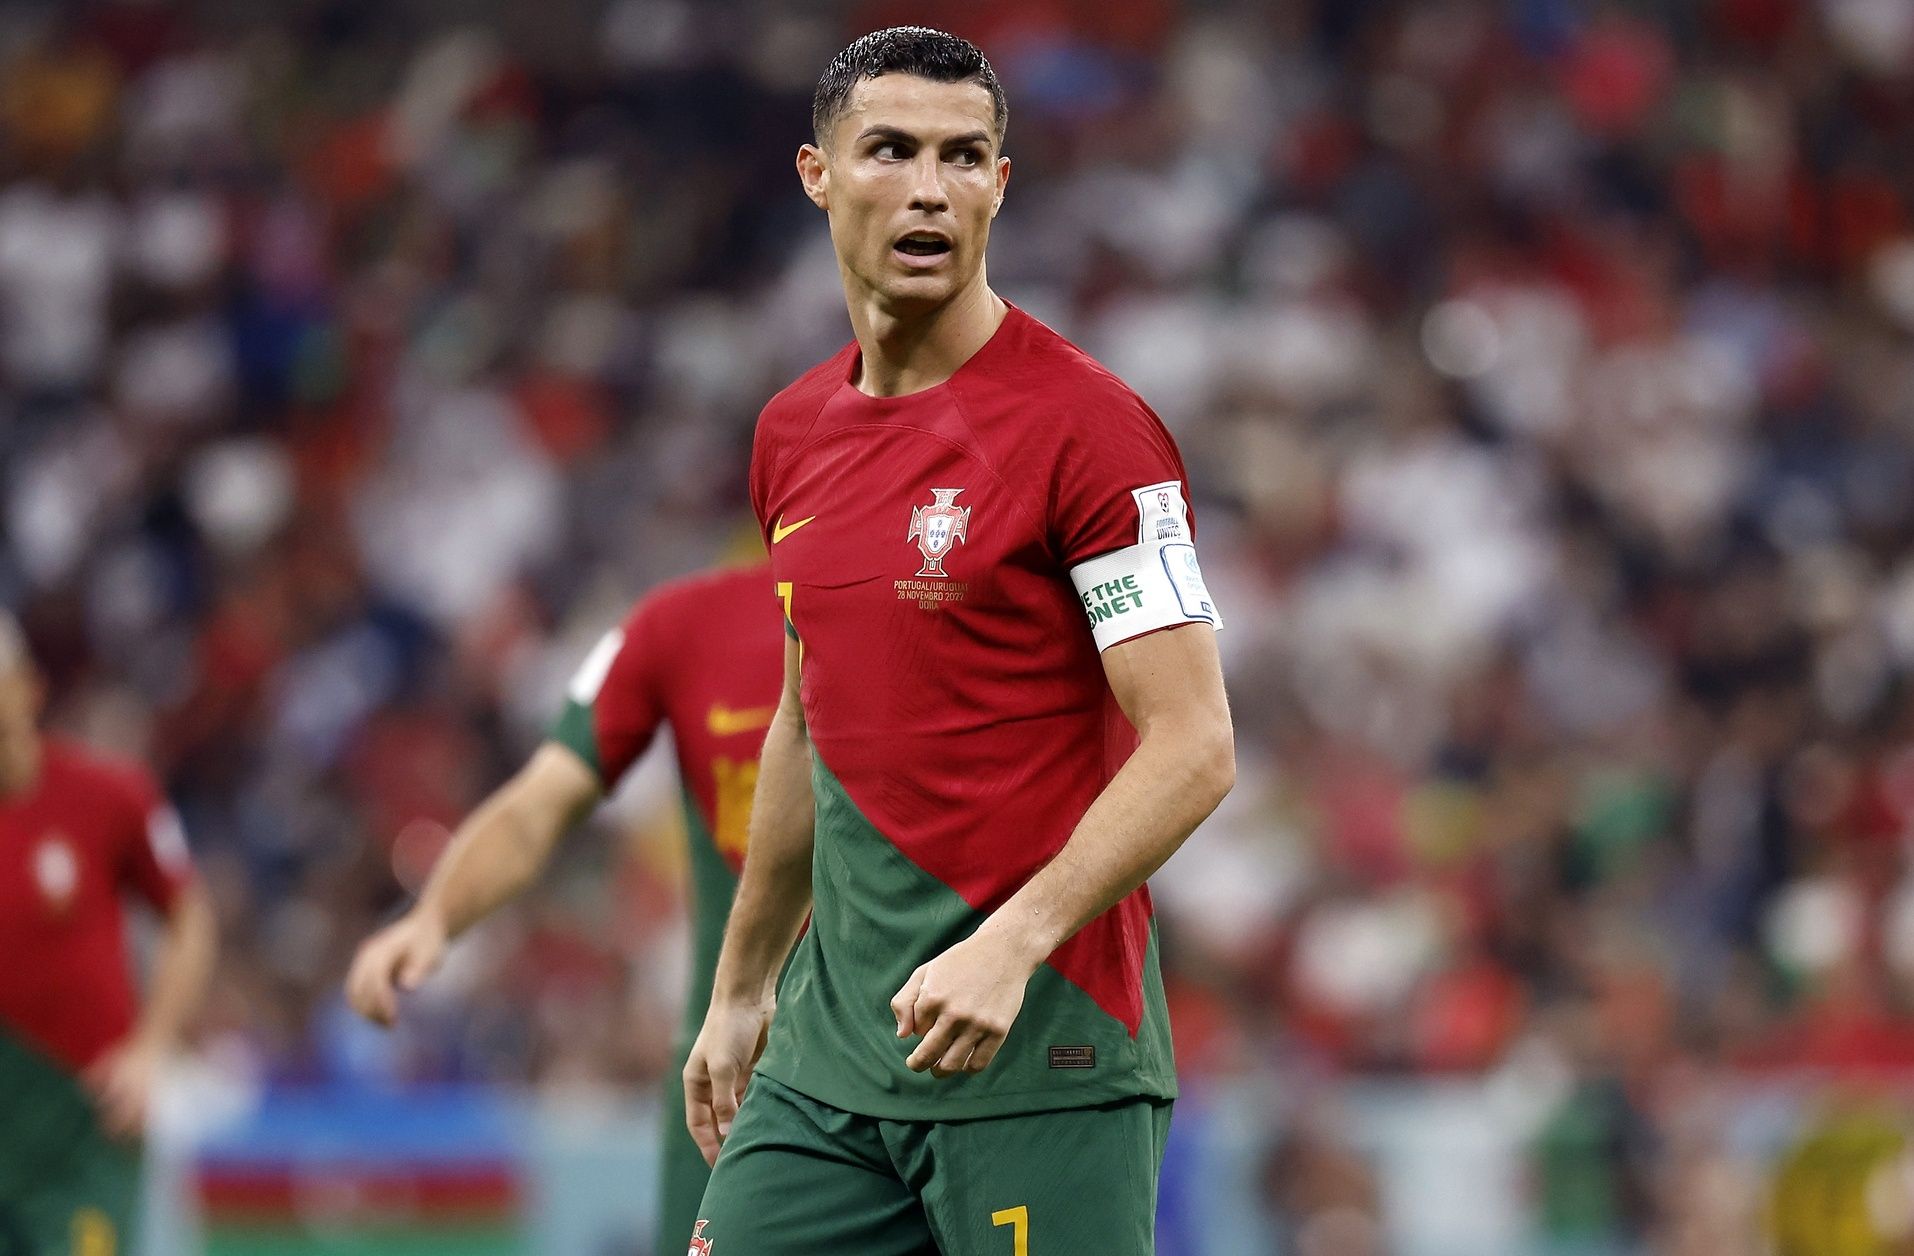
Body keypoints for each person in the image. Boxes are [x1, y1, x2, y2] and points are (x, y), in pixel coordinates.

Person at [682, 27, 1235, 1255]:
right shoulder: (790, 435)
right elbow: (802, 719)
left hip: (1043, 1051)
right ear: (818, 173)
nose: (929, 187)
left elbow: (1194, 743)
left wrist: (1012, 943)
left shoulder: (1092, 432)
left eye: (963, 156)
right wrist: (739, 986)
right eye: (890, 150)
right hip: (829, 1068)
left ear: (1000, 183)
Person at [344, 559, 781, 1256]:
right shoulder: (676, 625)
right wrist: (434, 917)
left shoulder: (934, 608)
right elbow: (538, 804)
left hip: (896, 1057)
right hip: (727, 1082)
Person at [0, 614, 217, 1256]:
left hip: (80, 1124)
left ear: (27, 689)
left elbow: (187, 916)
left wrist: (152, 1047)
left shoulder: (111, 796)